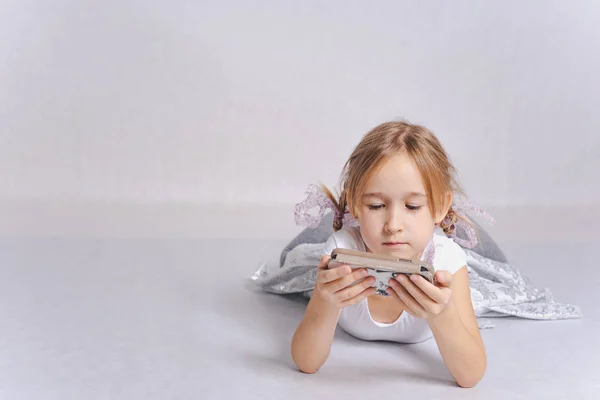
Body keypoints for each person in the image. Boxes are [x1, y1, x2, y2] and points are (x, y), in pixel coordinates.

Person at [290, 121, 487, 388]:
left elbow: (471, 376)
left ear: (440, 207)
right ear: (356, 206)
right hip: (348, 233)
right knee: (296, 251)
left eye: (413, 206)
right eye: (377, 205)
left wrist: (442, 315)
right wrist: (327, 303)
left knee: (487, 250)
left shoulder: (447, 260)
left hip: (439, 241)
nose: (393, 224)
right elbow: (306, 362)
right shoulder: (342, 249)